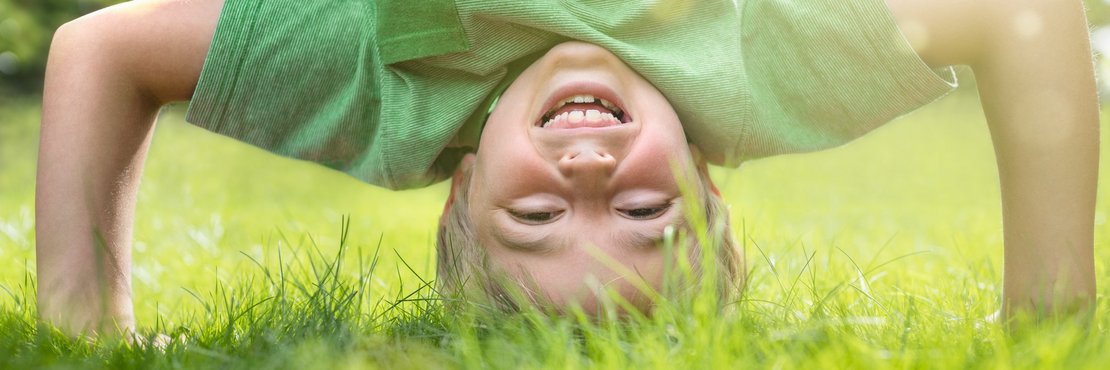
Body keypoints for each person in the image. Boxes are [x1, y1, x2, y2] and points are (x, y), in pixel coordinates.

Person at [36, 0, 1098, 336]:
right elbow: (1025, 13)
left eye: (537, 215)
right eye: (642, 206)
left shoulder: (383, 89)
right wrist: (1049, 312)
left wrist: (86, 321)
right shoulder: (769, 75)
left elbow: (99, 49)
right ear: (706, 181)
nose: (585, 166)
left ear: (458, 184)